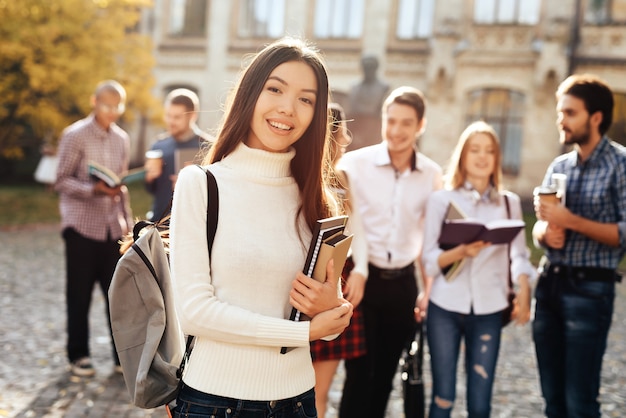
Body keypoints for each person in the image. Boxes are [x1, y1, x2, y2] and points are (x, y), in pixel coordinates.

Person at [168, 37, 353, 418]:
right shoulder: (201, 184)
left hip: (297, 400)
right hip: (213, 401)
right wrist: (303, 333)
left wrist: (334, 308)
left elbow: (328, 323)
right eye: (275, 89)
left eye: (306, 99)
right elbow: (195, 312)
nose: (288, 108)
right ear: (250, 93)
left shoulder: (318, 201)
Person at [338, 86, 443, 418]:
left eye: (406, 123)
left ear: (420, 126)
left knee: (385, 375)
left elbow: (430, 237)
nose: (396, 131)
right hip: (361, 282)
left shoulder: (431, 174)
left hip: (402, 285)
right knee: (357, 375)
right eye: (391, 121)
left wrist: (428, 289)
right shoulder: (353, 164)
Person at [420, 121, 535, 418]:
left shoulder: (509, 205)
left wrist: (523, 285)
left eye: (489, 151)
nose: (482, 157)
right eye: (475, 149)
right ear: (463, 155)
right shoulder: (441, 200)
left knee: (480, 403)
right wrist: (461, 252)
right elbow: (429, 260)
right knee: (442, 397)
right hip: (444, 308)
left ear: (497, 158)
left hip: (489, 310)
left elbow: (519, 256)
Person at [532, 73, 626, 418]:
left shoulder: (622, 165)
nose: (562, 119)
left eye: (570, 112)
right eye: (560, 112)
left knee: (579, 402)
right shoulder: (559, 166)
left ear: (595, 117)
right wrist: (545, 233)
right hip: (549, 284)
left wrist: (571, 221)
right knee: (553, 401)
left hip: (590, 289)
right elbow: (540, 229)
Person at [55, 79, 133, 377]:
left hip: (113, 229)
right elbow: (61, 180)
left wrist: (127, 225)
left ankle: (120, 358)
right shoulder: (74, 135)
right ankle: (79, 355)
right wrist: (94, 190)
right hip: (81, 228)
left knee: (118, 297)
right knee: (79, 294)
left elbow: (120, 182)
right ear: (94, 102)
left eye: (118, 106)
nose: (113, 111)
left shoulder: (122, 139)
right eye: (107, 105)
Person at [309, 103, 368, 418]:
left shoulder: (343, 178)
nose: (345, 138)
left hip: (335, 281)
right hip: (301, 280)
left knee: (320, 391)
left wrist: (361, 271)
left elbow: (359, 231)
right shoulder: (299, 174)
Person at [144, 88, 211, 221]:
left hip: (193, 224)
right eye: (168, 115)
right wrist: (150, 177)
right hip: (159, 223)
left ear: (192, 116)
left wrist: (190, 184)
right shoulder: (158, 145)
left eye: (177, 117)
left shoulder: (208, 147)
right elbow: (151, 189)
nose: (170, 121)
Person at [345, 55, 390, 150]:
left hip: (373, 131)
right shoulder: (354, 87)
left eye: (370, 67)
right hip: (356, 131)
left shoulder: (383, 87)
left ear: (376, 69)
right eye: (365, 68)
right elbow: (352, 108)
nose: (368, 70)